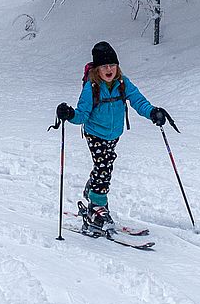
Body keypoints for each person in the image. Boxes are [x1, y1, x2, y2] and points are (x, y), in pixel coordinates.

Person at [55, 41, 170, 233]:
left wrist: (152, 112)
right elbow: (82, 114)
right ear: (97, 69)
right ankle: (97, 208)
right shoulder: (91, 88)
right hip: (95, 133)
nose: (109, 69)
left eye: (112, 65)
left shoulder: (123, 83)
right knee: (104, 167)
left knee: (105, 164)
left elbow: (138, 100)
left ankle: (92, 190)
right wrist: (69, 114)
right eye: (104, 66)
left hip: (114, 134)